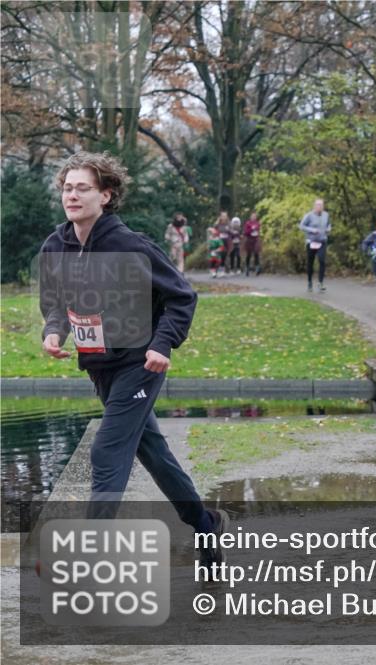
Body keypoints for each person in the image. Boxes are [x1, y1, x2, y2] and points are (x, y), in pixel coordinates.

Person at [38, 151, 226, 571]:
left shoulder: (130, 245)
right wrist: (54, 331)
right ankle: (205, 523)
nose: (72, 195)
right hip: (100, 366)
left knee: (107, 450)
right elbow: (54, 302)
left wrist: (163, 344)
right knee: (153, 452)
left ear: (105, 195)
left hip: (139, 362)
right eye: (68, 187)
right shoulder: (57, 245)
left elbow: (181, 296)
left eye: (82, 188)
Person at [299, 198, 331, 292]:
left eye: (321, 205)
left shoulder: (326, 215)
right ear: (314, 206)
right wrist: (312, 230)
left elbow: (328, 224)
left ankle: (320, 283)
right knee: (310, 262)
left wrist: (328, 229)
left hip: (322, 241)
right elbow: (301, 226)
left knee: (322, 261)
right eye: (318, 205)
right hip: (311, 241)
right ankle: (309, 282)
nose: (320, 207)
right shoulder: (309, 215)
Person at [243, 211, 262, 276]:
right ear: (250, 217)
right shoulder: (248, 223)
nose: (254, 217)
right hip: (249, 239)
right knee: (249, 254)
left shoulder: (257, 223)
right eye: (252, 216)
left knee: (256, 253)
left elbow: (258, 230)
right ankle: (247, 267)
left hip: (255, 239)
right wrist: (251, 229)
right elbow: (245, 232)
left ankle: (257, 268)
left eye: (255, 216)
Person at [214, 211, 230, 277]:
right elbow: (214, 230)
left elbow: (231, 231)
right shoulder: (218, 224)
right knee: (217, 256)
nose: (224, 217)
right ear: (220, 217)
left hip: (226, 241)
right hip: (219, 241)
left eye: (225, 216)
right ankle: (215, 270)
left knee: (224, 255)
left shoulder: (228, 224)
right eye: (223, 216)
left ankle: (222, 270)